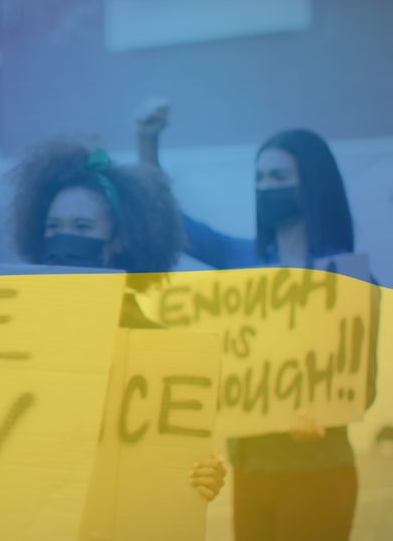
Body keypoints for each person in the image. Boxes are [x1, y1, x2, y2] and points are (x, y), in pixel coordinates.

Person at [136, 101, 379, 541]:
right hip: (250, 471)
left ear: (313, 186)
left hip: (319, 473)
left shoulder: (347, 277)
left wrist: (327, 412)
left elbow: (362, 389)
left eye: (280, 178)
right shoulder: (242, 261)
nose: (267, 188)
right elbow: (169, 220)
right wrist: (148, 142)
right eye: (260, 179)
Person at [8, 140, 227, 502]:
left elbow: (178, 459)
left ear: (120, 240)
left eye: (82, 226)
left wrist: (203, 473)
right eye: (53, 226)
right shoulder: (15, 338)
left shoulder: (161, 352)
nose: (65, 238)